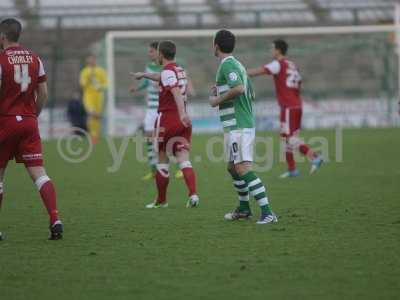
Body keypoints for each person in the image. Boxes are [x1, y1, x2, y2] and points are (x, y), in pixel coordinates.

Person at [0, 18, 63, 239]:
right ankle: (55, 218)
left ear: (3, 37)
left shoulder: (1, 59)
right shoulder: (35, 58)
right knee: (39, 174)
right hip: (29, 121)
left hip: (5, 121)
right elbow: (43, 93)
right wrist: (32, 115)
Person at [209, 29, 277, 224]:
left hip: (238, 125)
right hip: (237, 125)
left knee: (243, 168)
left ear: (216, 45)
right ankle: (244, 208)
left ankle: (268, 212)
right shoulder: (238, 64)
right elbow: (249, 93)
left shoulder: (227, 65)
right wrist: (221, 90)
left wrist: (217, 100)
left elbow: (238, 88)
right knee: (232, 167)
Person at [132, 40, 199, 208]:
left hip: (168, 119)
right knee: (183, 158)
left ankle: (161, 200)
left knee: (162, 158)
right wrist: (144, 74)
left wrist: (182, 113)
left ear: (161, 54)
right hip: (183, 122)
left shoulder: (168, 72)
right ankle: (193, 194)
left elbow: (174, 89)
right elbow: (161, 77)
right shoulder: (178, 69)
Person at [247, 39, 323, 178]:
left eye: (272, 48)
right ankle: (292, 169)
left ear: (278, 50)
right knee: (286, 137)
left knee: (290, 138)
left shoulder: (278, 64)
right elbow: (299, 84)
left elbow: (260, 71)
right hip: (296, 104)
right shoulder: (292, 65)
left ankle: (314, 157)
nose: (271, 51)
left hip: (288, 106)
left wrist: (242, 72)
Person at [79, 54, 107, 144]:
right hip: (88, 96)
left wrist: (101, 87)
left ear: (95, 60)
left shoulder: (101, 71)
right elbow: (82, 85)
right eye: (89, 59)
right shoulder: (84, 71)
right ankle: (92, 135)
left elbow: (106, 83)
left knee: (96, 117)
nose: (91, 61)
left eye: (93, 59)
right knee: (92, 114)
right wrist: (88, 78)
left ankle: (95, 136)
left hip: (99, 97)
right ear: (87, 61)